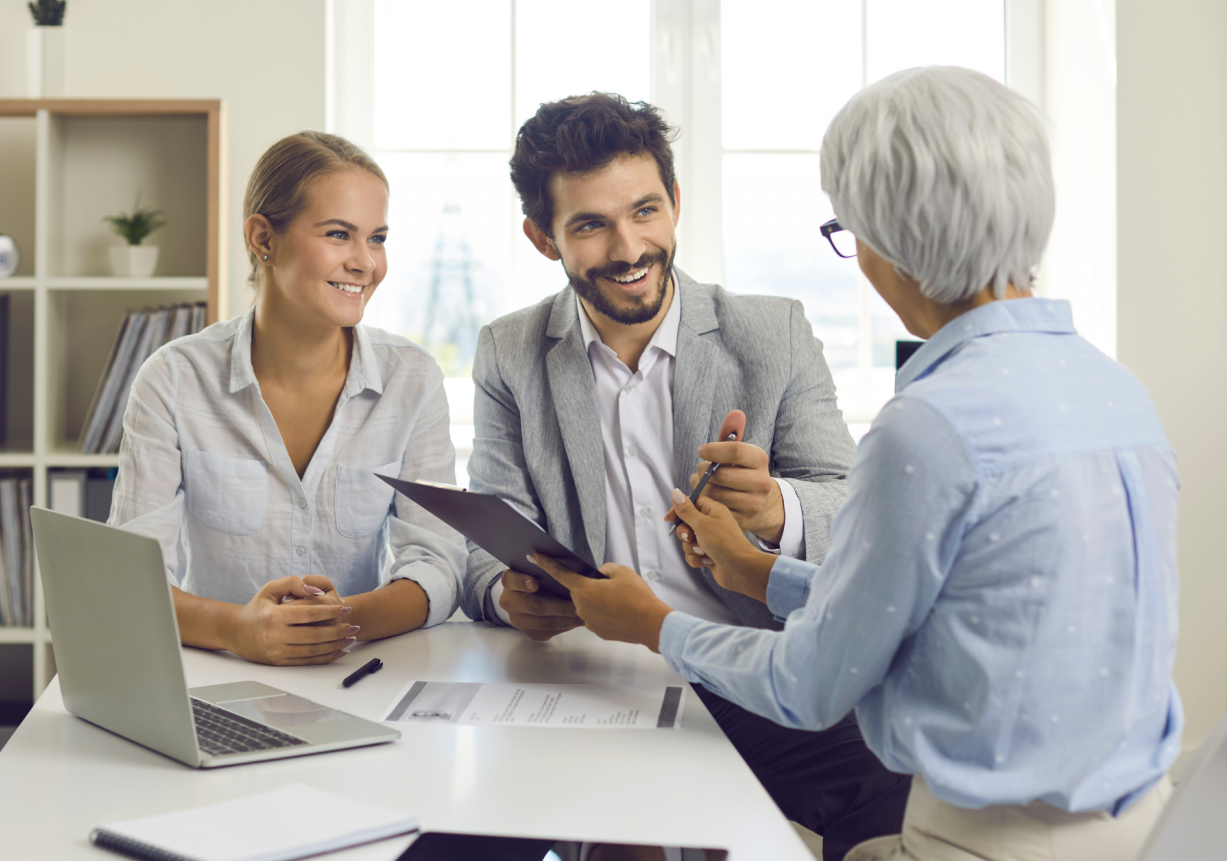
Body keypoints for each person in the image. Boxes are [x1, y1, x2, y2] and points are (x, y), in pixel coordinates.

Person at [533, 67, 1181, 861]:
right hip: (1146, 826)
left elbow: (809, 684)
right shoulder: (1113, 389)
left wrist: (654, 624)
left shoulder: (929, 426)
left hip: (982, 842)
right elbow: (944, 612)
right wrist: (759, 573)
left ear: (885, 239)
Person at [464, 92, 910, 861]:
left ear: (675, 202)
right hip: (598, 682)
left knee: (889, 777)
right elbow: (484, 535)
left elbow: (848, 509)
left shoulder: (771, 332)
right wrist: (507, 598)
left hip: (751, 667)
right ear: (544, 238)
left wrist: (776, 510)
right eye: (591, 225)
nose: (630, 246)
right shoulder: (510, 352)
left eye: (645, 211)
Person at [108, 130, 466, 667]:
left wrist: (330, 623)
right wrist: (240, 629)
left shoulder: (411, 379)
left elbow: (439, 565)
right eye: (339, 234)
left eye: (378, 238)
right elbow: (131, 579)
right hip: (217, 672)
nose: (366, 263)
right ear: (263, 239)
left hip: (357, 671)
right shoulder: (174, 379)